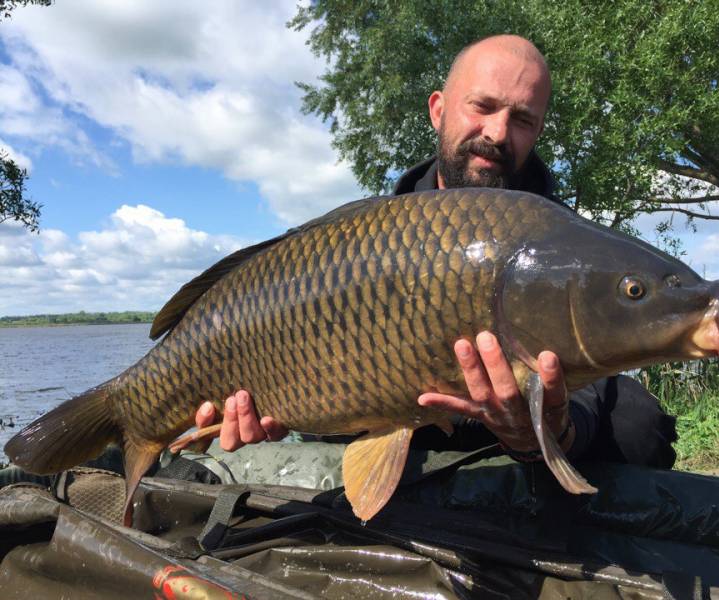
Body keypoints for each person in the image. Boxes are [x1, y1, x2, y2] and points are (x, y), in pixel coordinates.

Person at [192, 34, 677, 467]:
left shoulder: (557, 240)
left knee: (636, 424)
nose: (497, 132)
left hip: (513, 438)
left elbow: (588, 381)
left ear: (538, 131)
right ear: (438, 109)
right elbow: (314, 371)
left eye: (522, 119)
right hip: (401, 428)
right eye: (482, 106)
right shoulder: (373, 234)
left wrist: (548, 431)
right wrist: (283, 412)